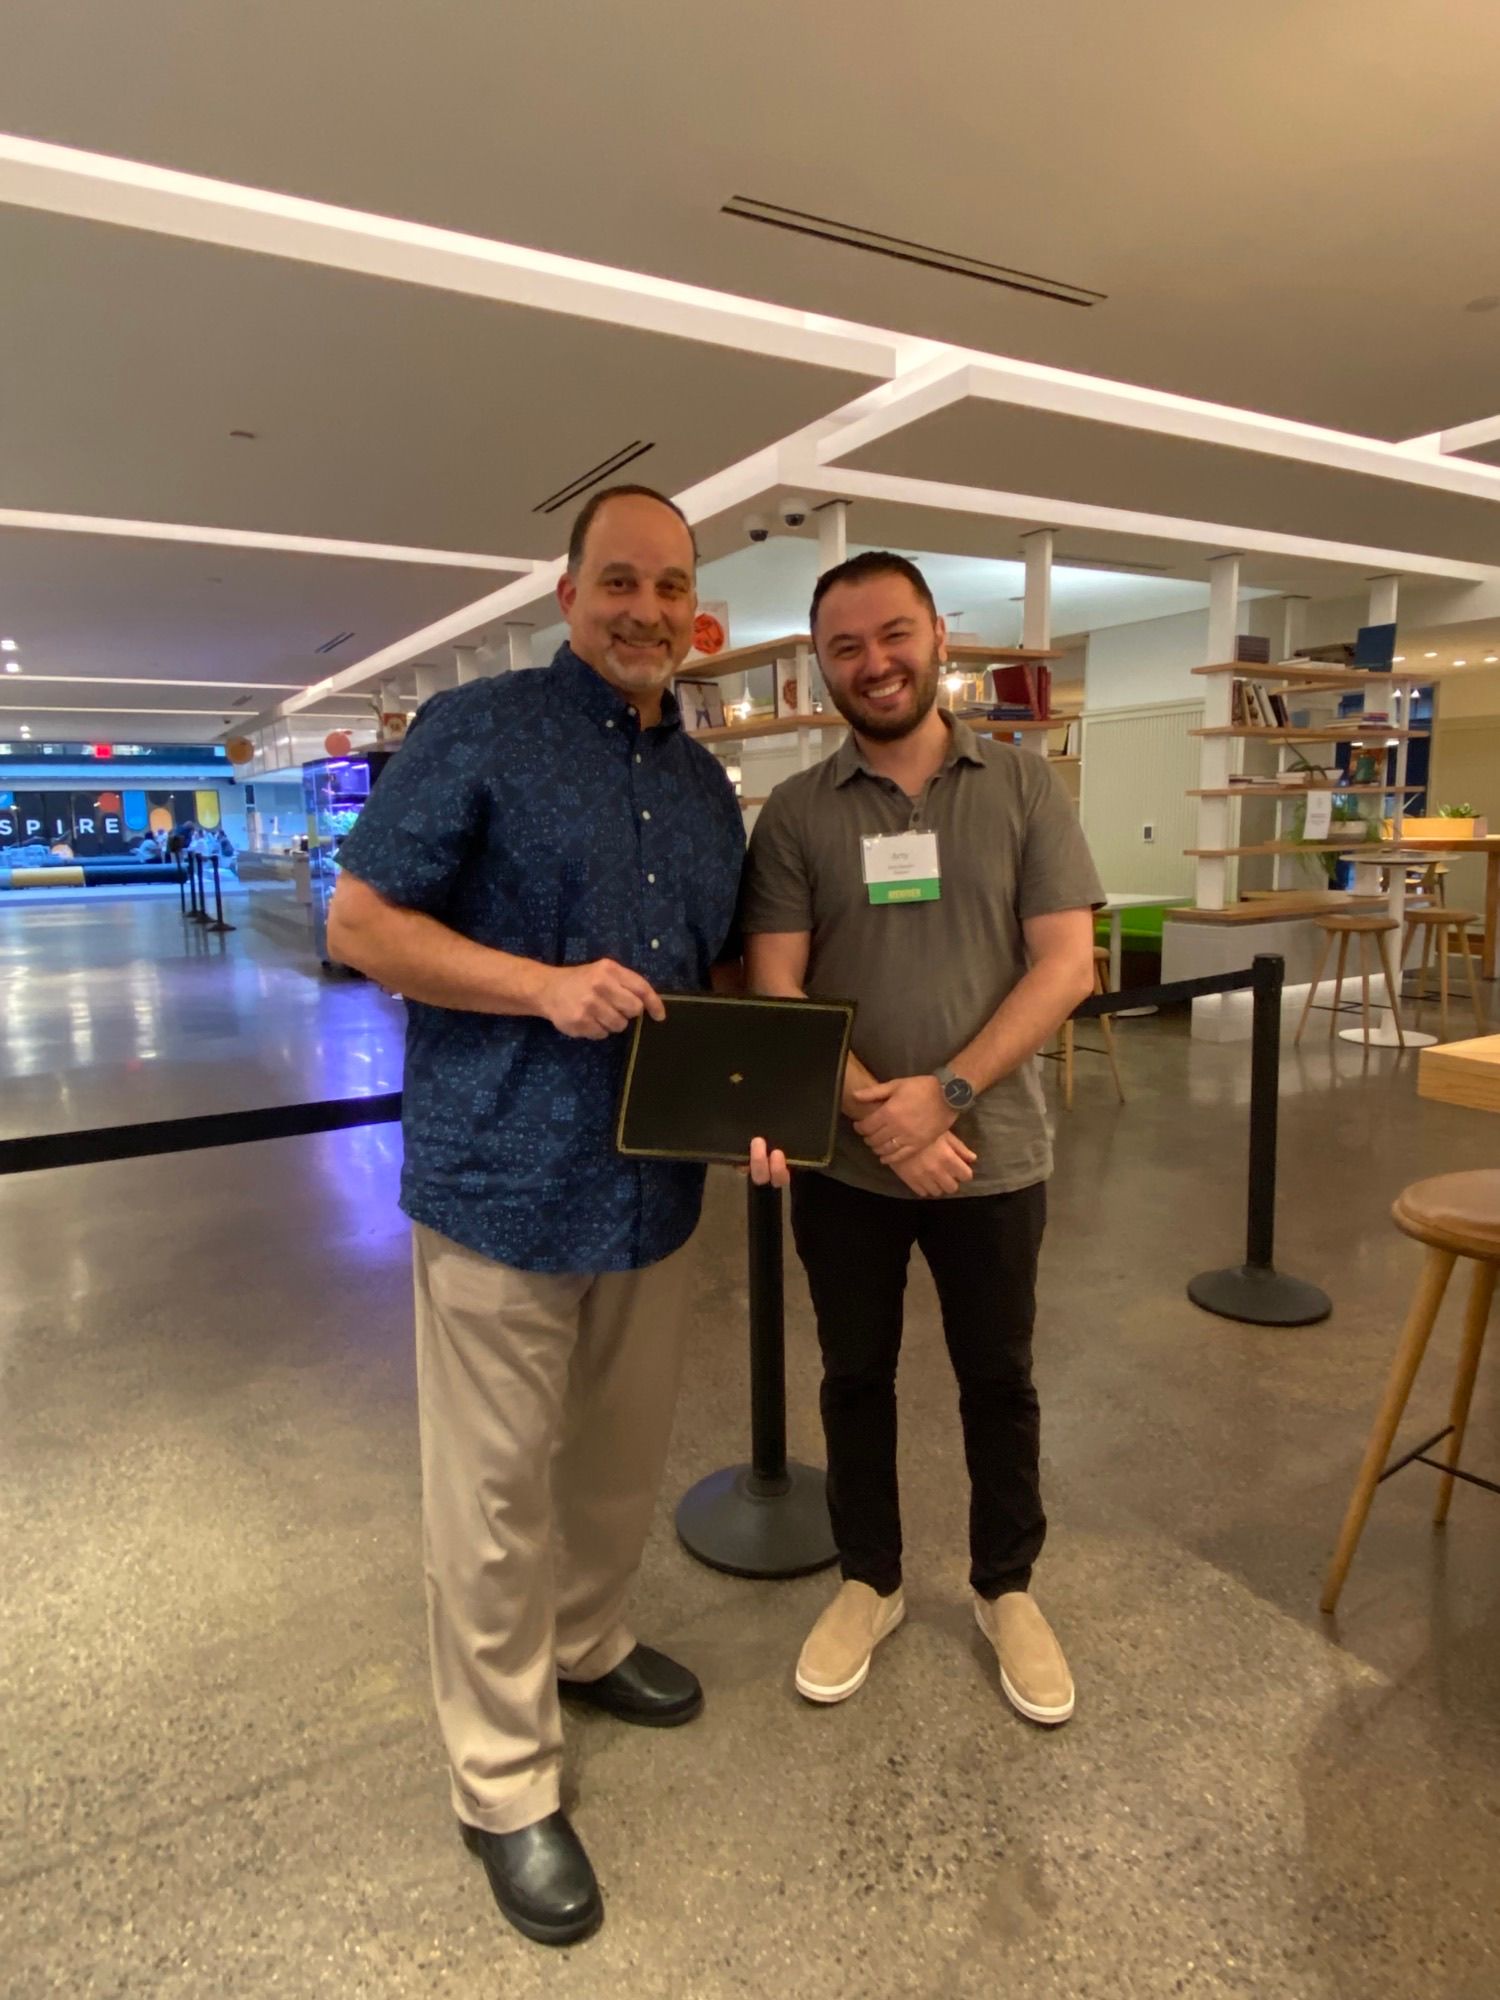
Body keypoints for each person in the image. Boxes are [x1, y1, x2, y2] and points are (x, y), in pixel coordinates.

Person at [327, 485, 787, 1949]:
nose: (647, 609)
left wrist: (766, 1098)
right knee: (491, 1501)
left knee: (614, 1467)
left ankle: (588, 1643)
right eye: (620, 581)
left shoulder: (704, 786)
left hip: (653, 1188)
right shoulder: (477, 731)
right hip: (500, 1183)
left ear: (695, 612)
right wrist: (542, 985)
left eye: (672, 587)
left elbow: (716, 982)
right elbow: (361, 924)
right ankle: (504, 1781)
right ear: (567, 590)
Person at [742, 551, 1103, 1724]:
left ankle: (1007, 1587)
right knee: (855, 1376)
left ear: (939, 633)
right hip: (847, 1164)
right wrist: (877, 1115)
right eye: (844, 647)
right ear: (820, 664)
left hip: (994, 1155)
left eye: (893, 633)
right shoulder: (798, 811)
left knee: (1000, 1378)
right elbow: (778, 984)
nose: (875, 662)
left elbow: (1068, 964)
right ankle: (871, 1577)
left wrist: (941, 1095)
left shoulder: (1024, 785)